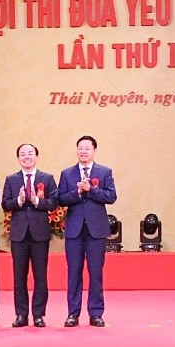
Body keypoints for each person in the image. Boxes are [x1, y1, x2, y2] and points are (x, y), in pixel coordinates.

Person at [58, 136, 117, 328]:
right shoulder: (67, 173)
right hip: (74, 231)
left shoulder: (105, 172)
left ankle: (96, 313)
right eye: (80, 148)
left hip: (96, 230)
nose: (83, 152)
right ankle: (72, 314)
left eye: (87, 148)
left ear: (94, 151)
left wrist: (90, 189)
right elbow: (60, 199)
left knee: (95, 273)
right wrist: (77, 193)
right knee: (74, 273)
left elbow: (111, 196)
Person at [1, 143, 58, 328]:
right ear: (18, 158)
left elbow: (54, 202)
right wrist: (19, 200)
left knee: (40, 277)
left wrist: (36, 201)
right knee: (19, 277)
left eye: (30, 153)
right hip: (19, 235)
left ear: (36, 157)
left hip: (39, 234)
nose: (27, 157)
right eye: (23, 154)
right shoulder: (11, 179)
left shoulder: (47, 178)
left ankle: (38, 315)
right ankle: (21, 314)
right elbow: (5, 204)